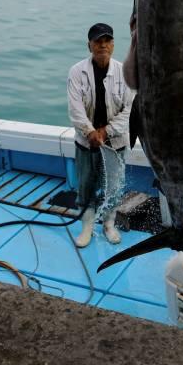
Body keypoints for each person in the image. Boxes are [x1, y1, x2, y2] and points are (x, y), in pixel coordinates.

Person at [67, 23, 134, 247]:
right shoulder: (77, 72)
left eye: (107, 41)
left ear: (113, 45)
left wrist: (106, 131)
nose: (102, 45)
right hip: (86, 141)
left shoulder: (124, 73)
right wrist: (90, 132)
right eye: (97, 41)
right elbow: (75, 109)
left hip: (115, 142)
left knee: (113, 187)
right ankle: (86, 227)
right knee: (85, 184)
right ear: (89, 45)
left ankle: (109, 224)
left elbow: (130, 110)